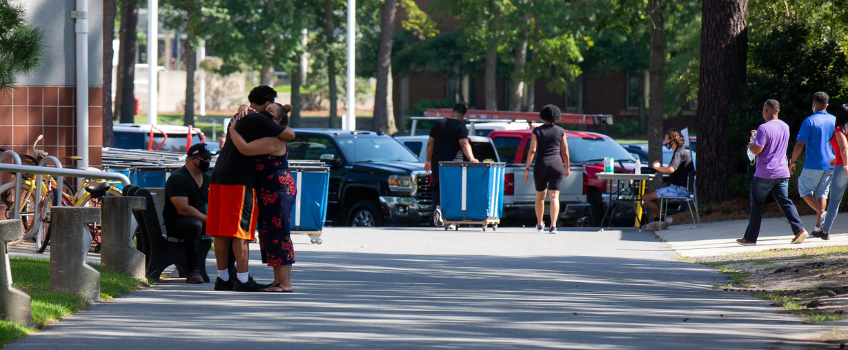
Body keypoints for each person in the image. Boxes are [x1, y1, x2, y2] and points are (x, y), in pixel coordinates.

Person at [207, 85, 295, 292]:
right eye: (271, 106)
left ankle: (222, 277)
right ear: (267, 103)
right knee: (241, 231)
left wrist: (232, 126)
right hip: (239, 180)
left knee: (221, 231)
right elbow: (290, 134)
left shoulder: (239, 116)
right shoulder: (259, 118)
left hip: (219, 174)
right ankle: (243, 279)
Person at [227, 103, 296, 293]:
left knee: (280, 235)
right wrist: (243, 107)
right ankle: (277, 281)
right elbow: (251, 111)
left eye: (271, 112)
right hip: (269, 192)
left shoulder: (275, 138)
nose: (265, 114)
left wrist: (232, 130)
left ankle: (285, 283)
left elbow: (245, 149)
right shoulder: (267, 134)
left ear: (277, 121)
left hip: (278, 190)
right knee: (271, 236)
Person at [737, 99, 808, 246]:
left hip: (765, 173)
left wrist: (751, 145)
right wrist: (758, 138)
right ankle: (799, 230)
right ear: (778, 111)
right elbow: (774, 142)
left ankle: (750, 238)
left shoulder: (763, 128)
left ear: (765, 111)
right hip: (782, 171)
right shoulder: (785, 126)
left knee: (756, 204)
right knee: (785, 202)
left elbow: (757, 150)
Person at [163, 143, 212, 284]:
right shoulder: (178, 178)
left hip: (199, 221)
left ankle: (228, 271)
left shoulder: (207, 179)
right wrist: (205, 219)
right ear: (192, 159)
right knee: (195, 225)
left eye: (209, 158)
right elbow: (182, 208)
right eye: (204, 158)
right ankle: (193, 270)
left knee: (229, 226)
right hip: (176, 223)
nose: (207, 161)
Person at [424, 103, 478, 230]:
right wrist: (471, 158)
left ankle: (437, 208)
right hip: (454, 163)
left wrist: (427, 160)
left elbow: (430, 143)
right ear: (463, 115)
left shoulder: (438, 124)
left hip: (438, 162)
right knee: (454, 190)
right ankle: (452, 220)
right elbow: (464, 143)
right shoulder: (461, 126)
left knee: (437, 187)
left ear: (452, 112)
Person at [789, 92, 835, 233]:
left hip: (814, 163)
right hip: (832, 163)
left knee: (804, 189)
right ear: (827, 105)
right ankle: (819, 227)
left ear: (814, 104)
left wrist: (793, 160)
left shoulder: (809, 121)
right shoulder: (835, 120)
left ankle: (821, 213)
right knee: (822, 193)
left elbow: (799, 144)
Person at [523, 104, 570, 234]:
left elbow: (532, 150)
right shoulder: (560, 131)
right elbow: (565, 151)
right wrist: (567, 166)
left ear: (543, 116)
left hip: (541, 164)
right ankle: (553, 226)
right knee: (554, 196)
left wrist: (527, 168)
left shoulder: (537, 131)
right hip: (556, 164)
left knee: (540, 196)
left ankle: (539, 224)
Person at [642, 129, 695, 231]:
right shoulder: (681, 152)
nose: (665, 142)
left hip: (679, 190)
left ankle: (662, 220)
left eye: (666, 139)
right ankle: (658, 220)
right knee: (650, 197)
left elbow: (670, 169)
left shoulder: (679, 153)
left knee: (646, 197)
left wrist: (657, 168)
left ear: (673, 140)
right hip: (680, 188)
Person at [818, 104, 848, 241]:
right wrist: (836, 158)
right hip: (840, 162)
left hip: (842, 167)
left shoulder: (839, 129)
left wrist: (845, 165)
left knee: (835, 200)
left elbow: (844, 148)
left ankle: (825, 231)